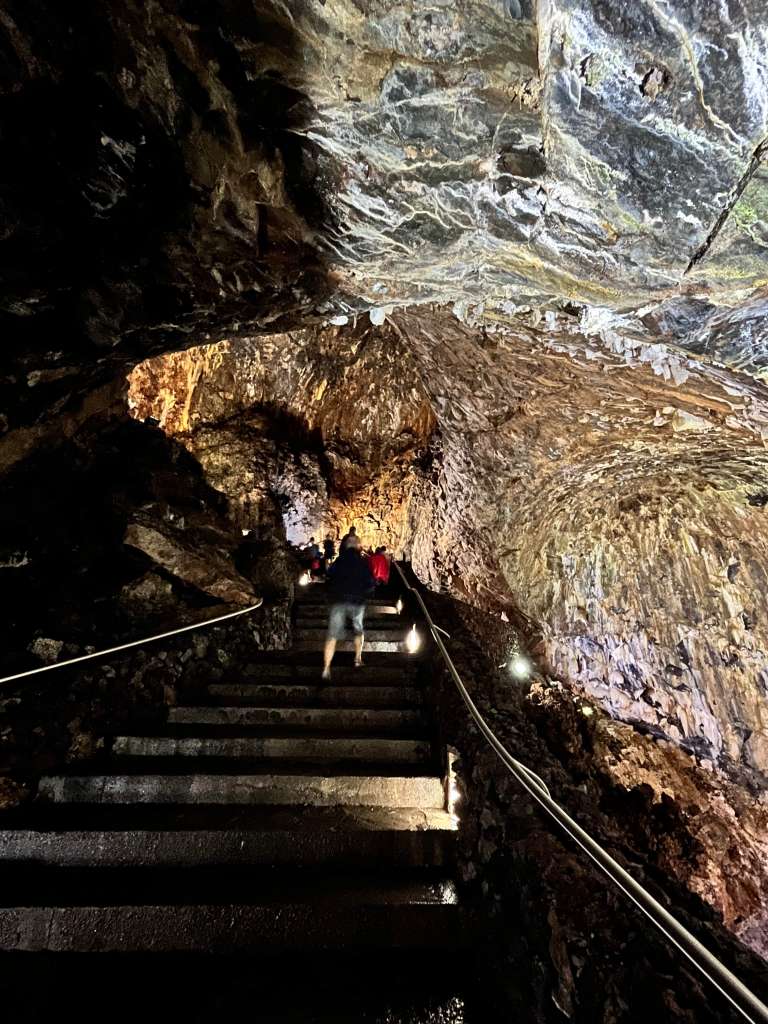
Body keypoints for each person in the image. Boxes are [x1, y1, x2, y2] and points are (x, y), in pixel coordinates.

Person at [322, 537, 375, 680]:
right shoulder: (362, 562)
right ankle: (357, 659)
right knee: (358, 630)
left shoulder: (339, 561)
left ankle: (326, 668)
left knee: (332, 635)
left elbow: (329, 575)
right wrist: (366, 594)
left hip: (339, 600)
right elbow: (370, 582)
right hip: (357, 600)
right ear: (358, 546)